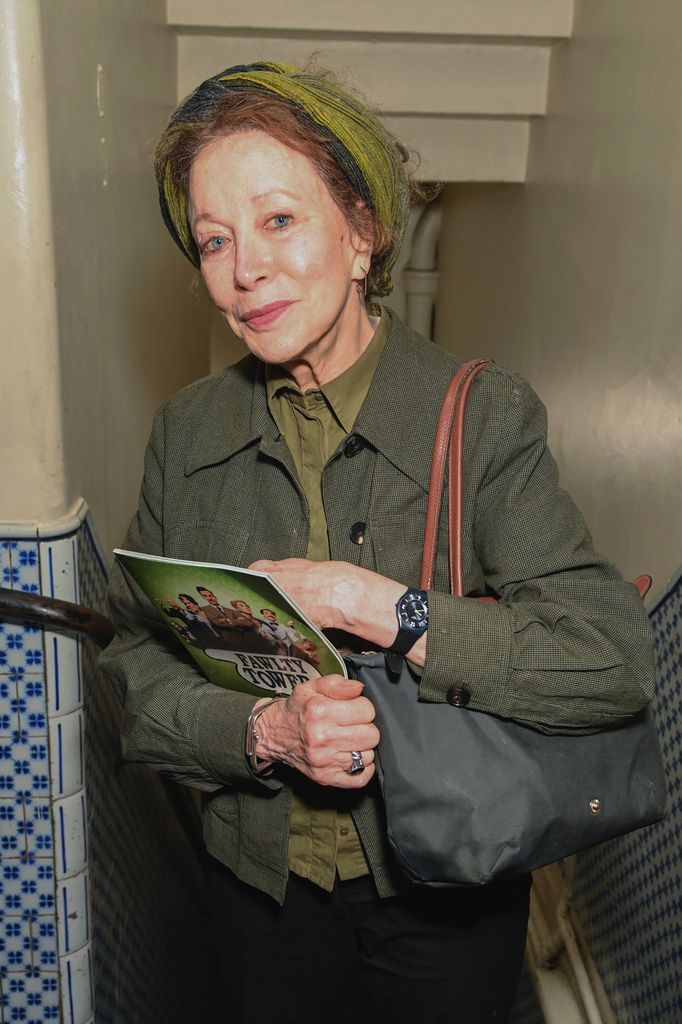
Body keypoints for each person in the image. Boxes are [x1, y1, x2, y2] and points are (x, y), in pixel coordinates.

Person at [99, 61, 655, 1024]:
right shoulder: (184, 435)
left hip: (446, 895)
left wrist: (371, 603)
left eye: (279, 221)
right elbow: (134, 672)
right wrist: (262, 731)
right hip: (258, 897)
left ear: (363, 233)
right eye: (215, 240)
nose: (245, 269)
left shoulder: (484, 418)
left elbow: (609, 660)